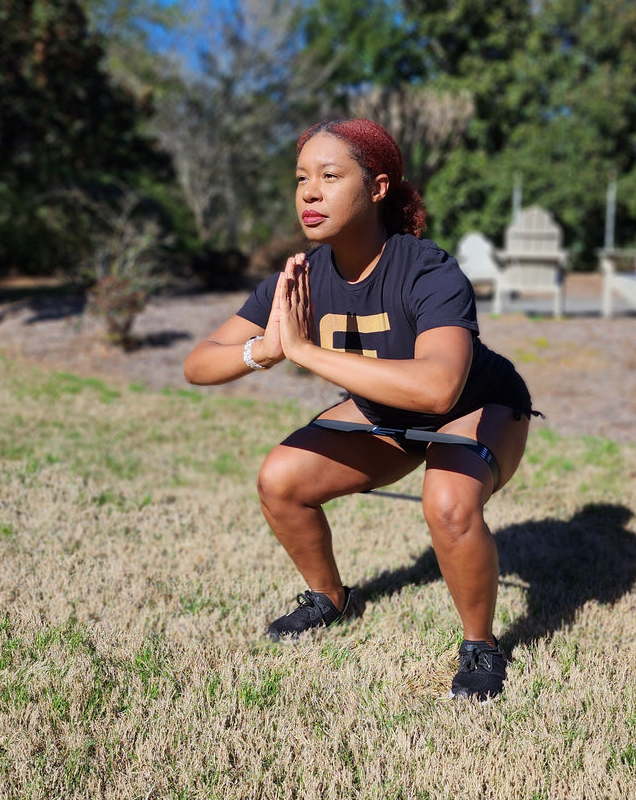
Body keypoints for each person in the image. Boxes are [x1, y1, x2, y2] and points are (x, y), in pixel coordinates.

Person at [182, 118, 537, 700]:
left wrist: (304, 351)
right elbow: (199, 363)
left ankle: (480, 645)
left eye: (329, 176)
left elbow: (439, 390)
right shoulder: (298, 279)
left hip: (478, 405)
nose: (310, 192)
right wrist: (268, 348)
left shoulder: (427, 268)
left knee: (448, 505)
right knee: (280, 479)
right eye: (301, 179)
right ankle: (331, 600)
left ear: (376, 189)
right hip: (389, 417)